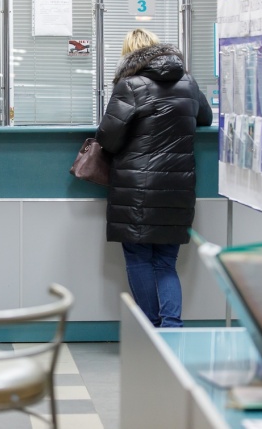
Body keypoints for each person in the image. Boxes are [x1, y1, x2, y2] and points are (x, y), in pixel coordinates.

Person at [96, 29, 213, 328]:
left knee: (138, 259)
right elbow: (205, 118)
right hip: (178, 188)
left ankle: (150, 329)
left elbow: (108, 138)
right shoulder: (188, 83)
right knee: (165, 262)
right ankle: (172, 328)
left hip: (137, 190)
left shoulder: (130, 85)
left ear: (129, 55)